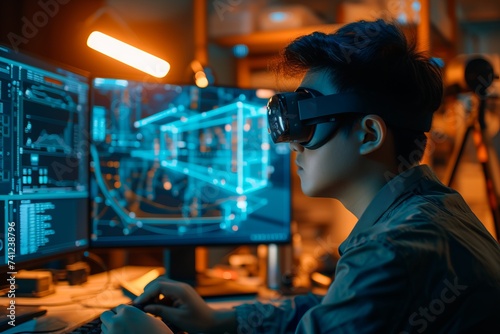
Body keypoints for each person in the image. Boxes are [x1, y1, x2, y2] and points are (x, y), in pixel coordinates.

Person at [100, 19, 500, 334]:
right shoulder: (435, 209)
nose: (293, 146)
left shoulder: (392, 252)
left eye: (305, 126)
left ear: (368, 134)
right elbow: (333, 311)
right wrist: (221, 320)